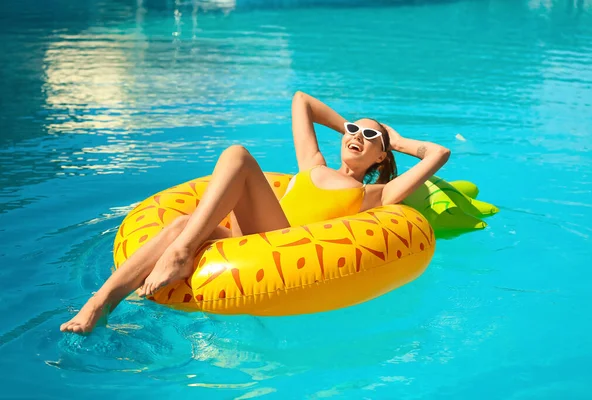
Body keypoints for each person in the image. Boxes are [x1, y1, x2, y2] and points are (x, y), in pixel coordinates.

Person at [60, 91, 450, 334]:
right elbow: (302, 100)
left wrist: (394, 139)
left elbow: (438, 153)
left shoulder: (375, 194)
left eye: (369, 137)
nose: (356, 136)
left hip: (282, 244)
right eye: (352, 130)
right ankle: (98, 305)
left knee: (238, 156)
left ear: (381, 155)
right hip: (250, 237)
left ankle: (180, 255)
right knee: (179, 223)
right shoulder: (311, 164)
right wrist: (353, 126)